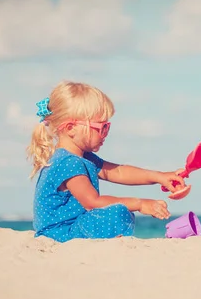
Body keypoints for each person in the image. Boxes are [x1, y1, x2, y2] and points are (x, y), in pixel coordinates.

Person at [26, 81, 187, 243]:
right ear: (70, 128)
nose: (105, 133)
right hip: (59, 233)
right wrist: (140, 204)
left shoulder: (83, 158)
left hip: (74, 226)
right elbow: (92, 202)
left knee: (120, 211)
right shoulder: (67, 162)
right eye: (101, 127)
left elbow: (118, 172)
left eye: (107, 127)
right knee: (117, 213)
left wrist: (159, 177)